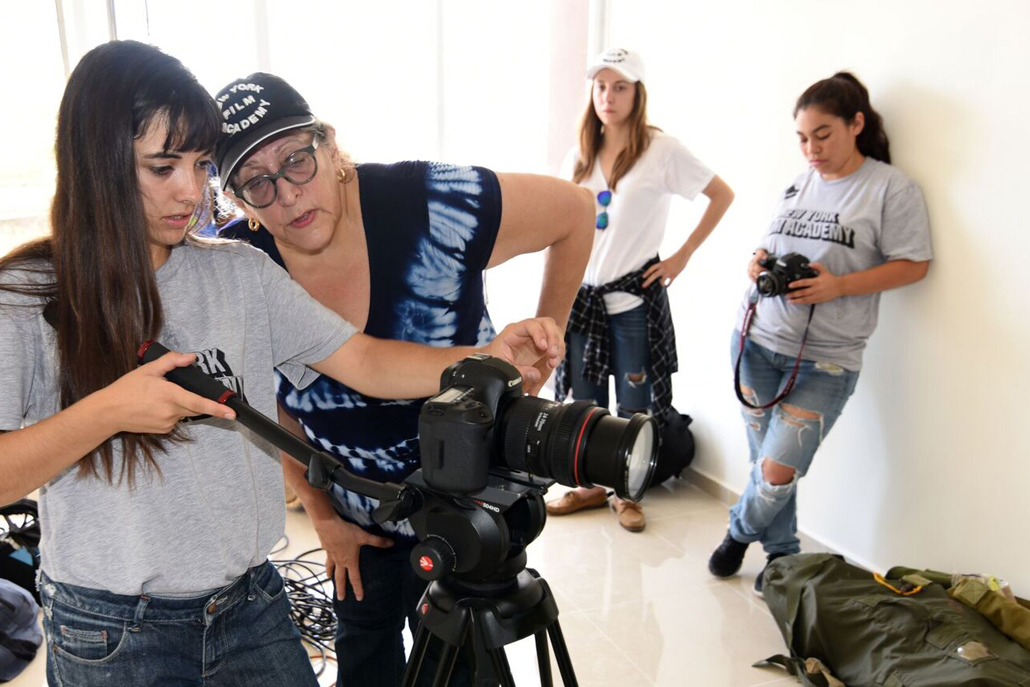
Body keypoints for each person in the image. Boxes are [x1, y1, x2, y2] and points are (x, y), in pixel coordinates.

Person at [0, 41, 562, 687]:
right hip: (112, 630)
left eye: (201, 163)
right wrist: (107, 411)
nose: (191, 191)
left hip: (250, 605)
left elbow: (364, 360)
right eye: (162, 166)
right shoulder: (25, 296)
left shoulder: (239, 271)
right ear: (95, 163)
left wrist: (485, 358)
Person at [213, 72, 593, 685]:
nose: (285, 194)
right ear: (236, 201)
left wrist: (544, 351)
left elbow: (576, 211)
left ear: (330, 146)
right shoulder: (242, 266)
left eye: (297, 160)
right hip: (354, 513)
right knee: (366, 653)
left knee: (461, 669)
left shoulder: (432, 202)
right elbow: (270, 410)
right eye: (255, 182)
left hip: (465, 509)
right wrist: (323, 516)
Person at [707, 72, 932, 596]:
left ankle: (738, 533)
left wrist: (840, 286)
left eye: (823, 135)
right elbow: (769, 246)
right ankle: (783, 557)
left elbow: (915, 264)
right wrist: (757, 263)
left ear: (857, 123)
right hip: (756, 341)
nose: (812, 150)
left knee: (778, 469)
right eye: (803, 139)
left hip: (827, 359)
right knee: (765, 463)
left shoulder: (890, 188)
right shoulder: (799, 182)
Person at [547, 48, 735, 532]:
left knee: (635, 407)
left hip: (632, 300)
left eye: (620, 87)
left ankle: (626, 494)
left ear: (638, 93)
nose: (608, 96)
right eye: (601, 86)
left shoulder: (661, 149)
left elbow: (721, 194)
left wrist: (683, 253)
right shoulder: (580, 154)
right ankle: (589, 486)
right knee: (585, 404)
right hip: (584, 300)